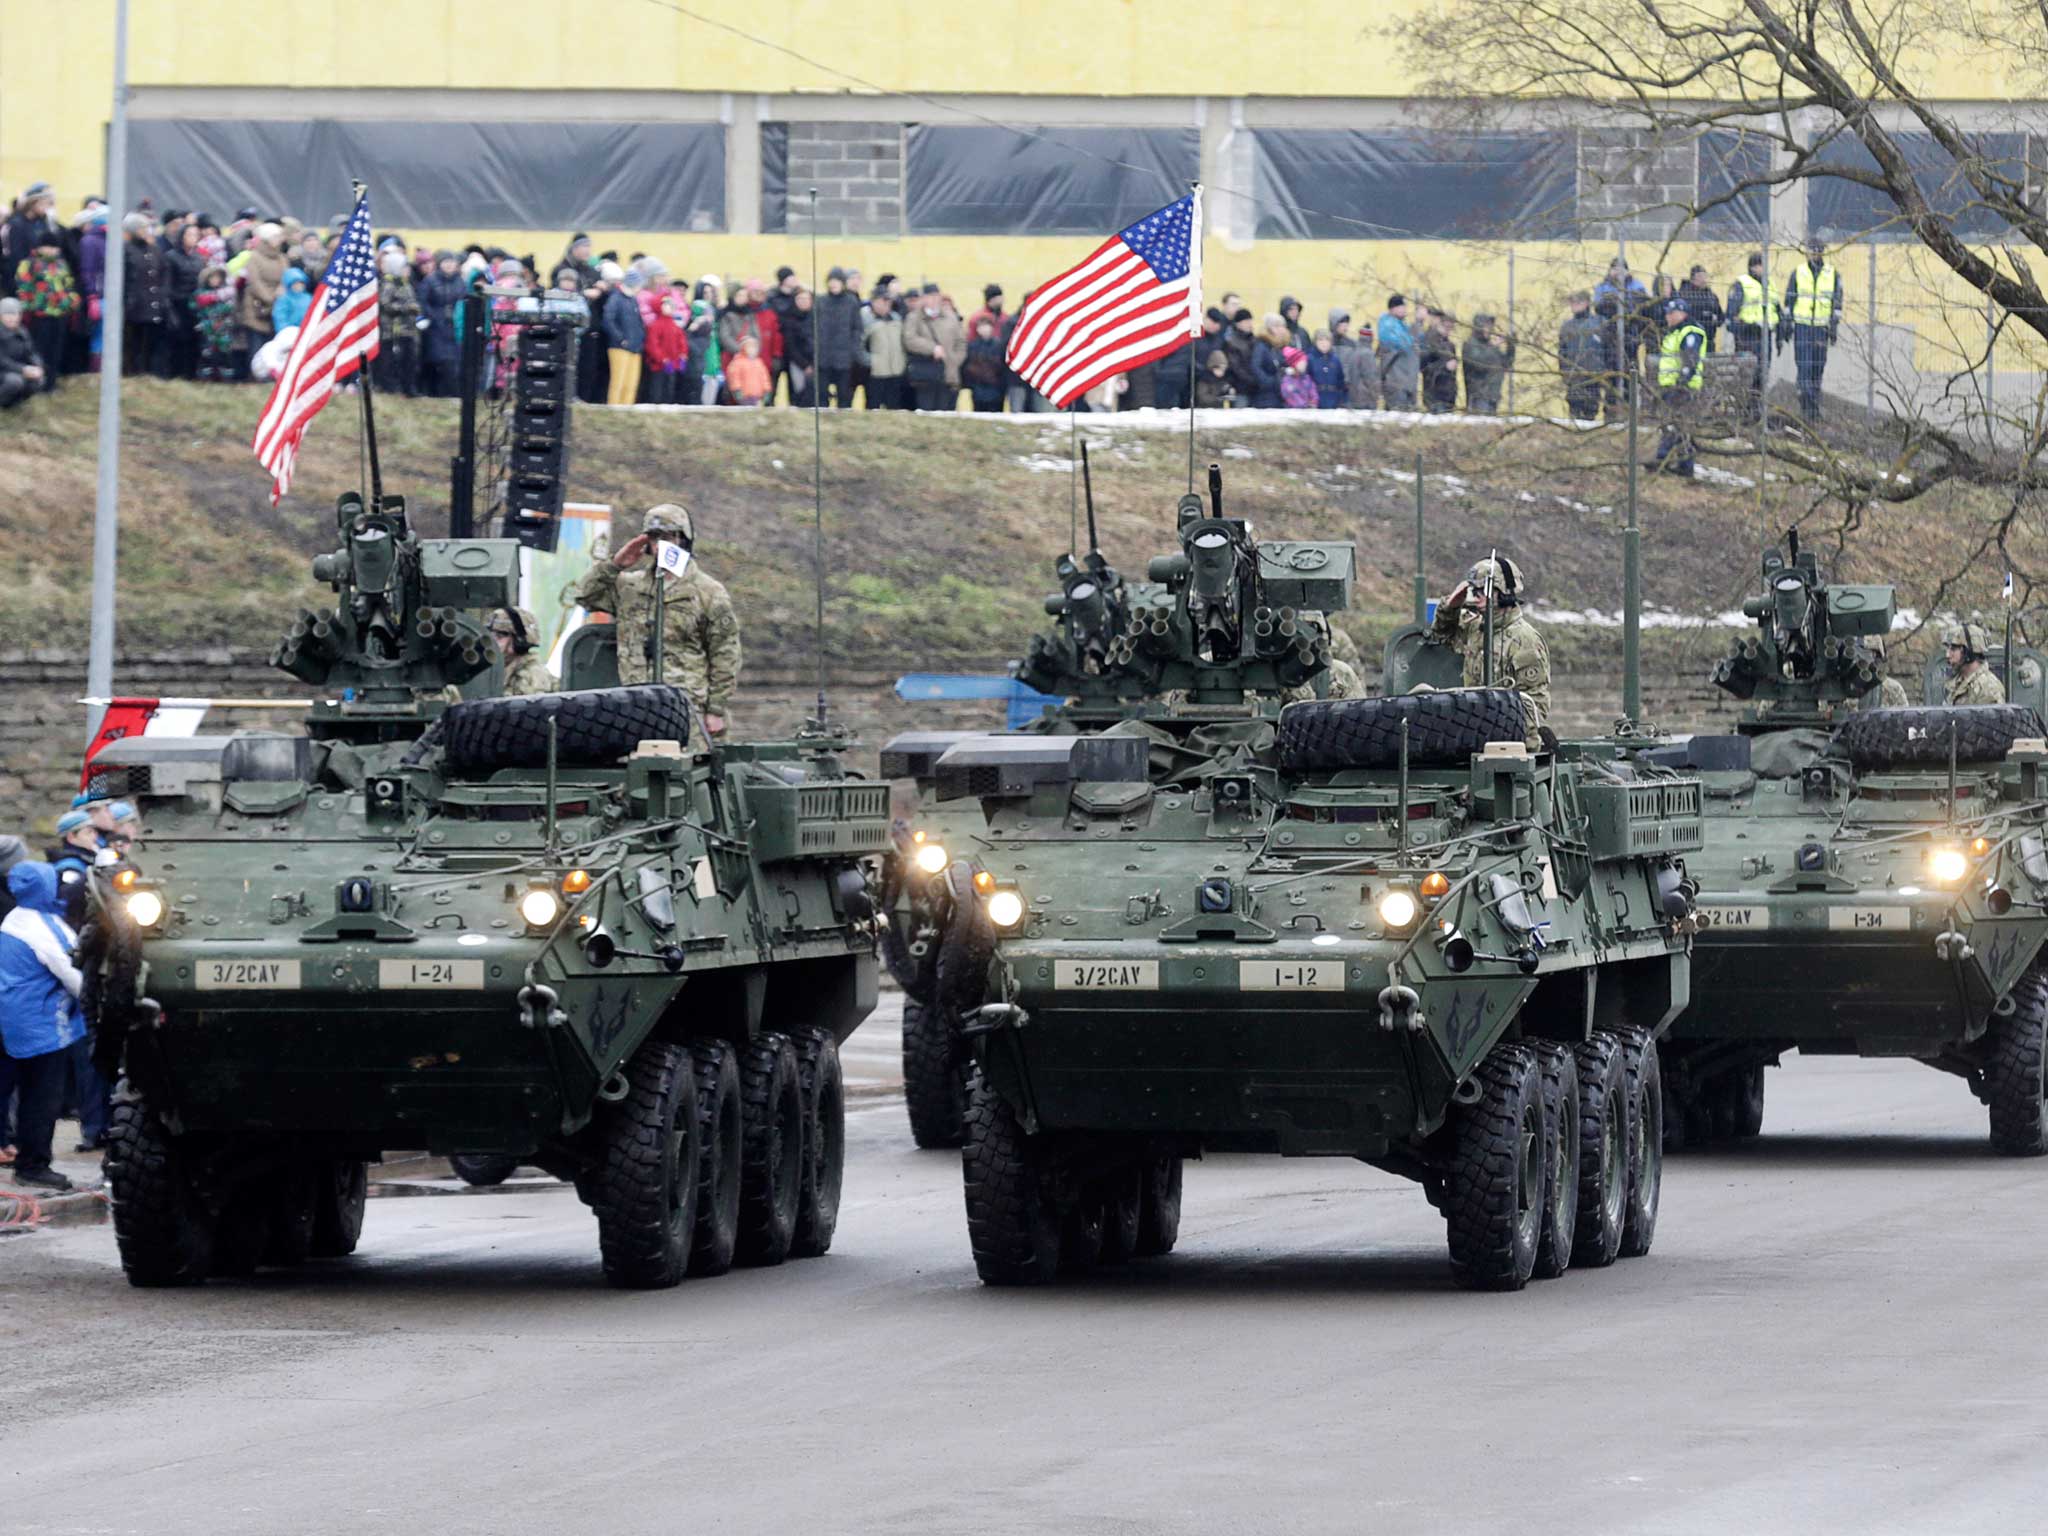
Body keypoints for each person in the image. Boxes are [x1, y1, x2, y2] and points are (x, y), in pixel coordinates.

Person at [569, 504, 741, 753]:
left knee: (688, 776)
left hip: (686, 707)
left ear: (683, 540)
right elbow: (584, 595)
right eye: (653, 537)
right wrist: (616, 564)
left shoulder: (707, 592)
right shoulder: (630, 587)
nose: (660, 544)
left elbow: (725, 653)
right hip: (635, 704)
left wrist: (716, 709)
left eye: (667, 537)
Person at [0, 862, 87, 1192]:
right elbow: (74, 974)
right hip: (40, 1025)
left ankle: (23, 1157)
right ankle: (33, 1166)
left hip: (9, 1017)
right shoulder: (46, 926)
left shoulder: (13, 918)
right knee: (41, 1098)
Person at [1430, 555, 1551, 746]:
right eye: (1474, 590)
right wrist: (1451, 605)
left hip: (1507, 743)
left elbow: (1534, 704)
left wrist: (1521, 749)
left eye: (1483, 590)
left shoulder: (1525, 640)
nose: (1476, 596)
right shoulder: (1475, 627)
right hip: (1472, 734)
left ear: (1504, 593)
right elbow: (1442, 635)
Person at [1781, 235, 1842, 424]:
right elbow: (1789, 301)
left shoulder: (1832, 274)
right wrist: (1788, 324)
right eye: (1811, 251)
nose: (1814, 254)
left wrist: (1833, 327)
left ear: (1821, 252)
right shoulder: (1798, 273)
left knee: (1817, 369)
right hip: (1803, 328)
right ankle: (1806, 408)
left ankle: (1814, 408)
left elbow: (1837, 304)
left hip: (1821, 329)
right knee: (1804, 367)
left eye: (1817, 251)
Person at [1647, 296, 1707, 477]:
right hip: (1670, 386)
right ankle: (1682, 465)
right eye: (1667, 313)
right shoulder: (1674, 333)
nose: (1668, 317)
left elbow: (1690, 358)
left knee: (1676, 425)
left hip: (1682, 387)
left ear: (1682, 313)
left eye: (1672, 313)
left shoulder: (1689, 332)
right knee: (1676, 426)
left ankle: (1663, 460)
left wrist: (1682, 381)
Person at [13, 231, 76, 390]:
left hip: (60, 314)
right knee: (40, 350)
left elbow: (68, 284)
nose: (51, 250)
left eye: (54, 247)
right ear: (40, 247)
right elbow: (23, 287)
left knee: (56, 349)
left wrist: (70, 302)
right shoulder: (30, 263)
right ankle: (38, 384)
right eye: (47, 247)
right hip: (39, 314)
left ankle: (52, 383)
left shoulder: (62, 264)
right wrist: (27, 308)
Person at [1726, 251, 1781, 425]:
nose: (1764, 269)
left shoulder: (1770, 285)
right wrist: (1746, 327)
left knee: (1762, 375)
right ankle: (1744, 412)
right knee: (1747, 375)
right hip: (1747, 337)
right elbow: (1731, 316)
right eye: (1760, 265)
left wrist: (1780, 331)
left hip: (1766, 337)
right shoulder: (1741, 284)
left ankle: (1757, 411)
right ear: (1753, 266)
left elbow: (1776, 310)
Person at [1593, 259, 1649, 421]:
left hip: (1630, 338)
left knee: (1630, 378)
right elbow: (1599, 307)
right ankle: (1610, 416)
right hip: (1610, 339)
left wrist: (1621, 303)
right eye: (1615, 269)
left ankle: (1629, 415)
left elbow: (1641, 308)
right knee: (1611, 378)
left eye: (1621, 269)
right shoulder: (1603, 287)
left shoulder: (1636, 286)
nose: (1618, 273)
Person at [233, 222, 286, 380]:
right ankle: (255, 376)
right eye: (276, 236)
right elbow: (255, 283)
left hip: (276, 309)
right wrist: (271, 297)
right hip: (255, 308)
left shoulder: (281, 258)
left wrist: (280, 294)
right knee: (256, 345)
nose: (279, 240)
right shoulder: (254, 257)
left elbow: (286, 277)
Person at [903, 284, 965, 411]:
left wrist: (956, 359)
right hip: (926, 374)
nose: (934, 300)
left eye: (937, 296)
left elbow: (961, 342)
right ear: (924, 298)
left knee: (947, 412)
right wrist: (932, 348)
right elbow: (909, 340)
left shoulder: (950, 316)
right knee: (926, 411)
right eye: (930, 296)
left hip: (949, 373)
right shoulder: (914, 318)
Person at [122, 212, 169, 377]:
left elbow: (163, 275)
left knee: (151, 345)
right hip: (134, 307)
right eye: (142, 228)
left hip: (153, 306)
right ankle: (132, 374)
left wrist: (162, 298)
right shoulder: (125, 250)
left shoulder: (155, 250)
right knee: (133, 345)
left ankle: (149, 374)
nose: (146, 231)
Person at [415, 251, 466, 397]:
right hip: (435, 326)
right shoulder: (430, 281)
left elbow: (463, 301)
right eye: (446, 262)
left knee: (453, 360)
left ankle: (451, 392)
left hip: (454, 325)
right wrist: (433, 316)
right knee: (435, 359)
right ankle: (433, 391)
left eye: (452, 262)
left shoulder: (460, 282)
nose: (449, 265)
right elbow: (423, 301)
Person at [375, 244, 422, 396]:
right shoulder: (388, 284)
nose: (407, 271)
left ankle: (408, 388)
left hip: (407, 329)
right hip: (392, 330)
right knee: (392, 360)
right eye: (404, 267)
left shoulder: (405, 284)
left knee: (409, 360)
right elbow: (385, 304)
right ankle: (391, 388)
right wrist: (405, 308)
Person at [816, 267, 864, 409]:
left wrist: (852, 350)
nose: (833, 284)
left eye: (836, 281)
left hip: (844, 357)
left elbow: (857, 328)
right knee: (822, 394)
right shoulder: (821, 301)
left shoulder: (851, 302)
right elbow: (813, 326)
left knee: (844, 393)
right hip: (823, 356)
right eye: (831, 281)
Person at [601, 268, 646, 406]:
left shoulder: (633, 300)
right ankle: (614, 409)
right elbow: (608, 320)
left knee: (631, 384)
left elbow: (638, 323)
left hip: (635, 348)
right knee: (618, 382)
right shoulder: (616, 298)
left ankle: (627, 410)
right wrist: (621, 339)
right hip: (619, 347)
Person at [1558, 291, 1604, 422]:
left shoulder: (1599, 323)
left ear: (1587, 303)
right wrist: (1565, 373)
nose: (1574, 305)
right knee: (1574, 410)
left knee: (1591, 410)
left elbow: (1607, 349)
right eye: (1572, 302)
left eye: (1578, 302)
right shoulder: (1567, 327)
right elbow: (1562, 352)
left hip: (1593, 375)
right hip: (1574, 376)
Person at [489, 608, 552, 695]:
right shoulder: (496, 671)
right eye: (491, 636)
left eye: (500, 636)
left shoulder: (533, 675)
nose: (493, 642)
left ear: (519, 641)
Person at [1461, 313, 1515, 415]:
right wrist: (1493, 347)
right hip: (1479, 397)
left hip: (1493, 396)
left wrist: (1511, 346)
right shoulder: (1470, 344)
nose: (1489, 329)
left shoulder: (1490, 346)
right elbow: (1479, 363)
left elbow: (1506, 364)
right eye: (1486, 326)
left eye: (1490, 326)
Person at [862, 291, 906, 409]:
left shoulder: (897, 319)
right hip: (876, 373)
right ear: (874, 302)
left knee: (894, 407)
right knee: (873, 406)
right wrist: (870, 361)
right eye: (883, 301)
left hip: (896, 370)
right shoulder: (866, 320)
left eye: (888, 301)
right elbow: (859, 345)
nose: (886, 304)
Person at [1942, 622, 2006, 705]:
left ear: (1968, 651)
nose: (1947, 655)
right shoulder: (1955, 683)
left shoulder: (1989, 688)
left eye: (1953, 649)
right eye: (1947, 649)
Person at [643, 291, 687, 404]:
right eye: (667, 304)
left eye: (672, 305)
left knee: (669, 390)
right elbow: (652, 345)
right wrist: (662, 359)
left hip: (673, 364)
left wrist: (682, 355)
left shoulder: (674, 325)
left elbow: (681, 341)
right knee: (657, 390)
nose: (670, 307)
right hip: (658, 365)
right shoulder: (655, 325)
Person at [0, 297, 45, 408]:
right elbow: (2, 360)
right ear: (1, 316)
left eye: (14, 314)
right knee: (15, 382)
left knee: (38, 380)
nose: (11, 318)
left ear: (19, 316)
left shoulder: (23, 331)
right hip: (4, 371)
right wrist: (23, 370)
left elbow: (31, 352)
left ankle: (14, 402)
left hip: (18, 369)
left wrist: (38, 366)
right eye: (7, 314)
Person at [1376, 294, 1419, 410]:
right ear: (1392, 308)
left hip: (1407, 383)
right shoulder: (1388, 326)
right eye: (1401, 306)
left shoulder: (1402, 326)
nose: (1404, 309)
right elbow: (1405, 345)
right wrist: (1418, 323)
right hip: (1396, 383)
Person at [1419, 309, 1459, 413]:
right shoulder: (1428, 341)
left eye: (1451, 327)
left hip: (1449, 396)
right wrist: (1445, 367)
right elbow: (1424, 368)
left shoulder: (1450, 345)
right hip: (1434, 397)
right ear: (1439, 323)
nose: (1448, 330)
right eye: (1446, 326)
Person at [1678, 264, 1724, 352]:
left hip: (1709, 339)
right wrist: (1705, 315)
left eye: (1704, 276)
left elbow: (1720, 317)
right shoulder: (1684, 294)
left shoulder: (1711, 296)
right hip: (1690, 339)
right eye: (1699, 276)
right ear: (1692, 279)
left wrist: (1714, 319)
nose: (1703, 279)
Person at [963, 318, 1007, 412]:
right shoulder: (972, 346)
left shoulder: (999, 345)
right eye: (981, 326)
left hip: (996, 389)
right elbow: (969, 366)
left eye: (987, 326)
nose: (984, 329)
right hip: (978, 388)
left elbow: (1002, 367)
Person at [1250, 314, 1289, 407]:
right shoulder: (1262, 346)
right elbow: (1256, 366)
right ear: (1270, 328)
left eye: (1283, 326)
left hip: (1280, 394)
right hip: (1265, 396)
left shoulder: (1280, 346)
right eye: (1278, 326)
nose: (1282, 329)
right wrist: (1269, 382)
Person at [1862, 636, 1910, 709]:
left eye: (1875, 654)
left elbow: (1904, 718)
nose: (1871, 658)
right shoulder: (1842, 690)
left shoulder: (1893, 689)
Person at [726, 332, 771, 406]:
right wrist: (737, 391)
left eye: (754, 347)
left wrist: (766, 390)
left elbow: (764, 378)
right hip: (744, 397)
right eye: (749, 347)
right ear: (743, 348)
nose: (752, 350)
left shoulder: (759, 363)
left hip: (758, 397)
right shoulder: (737, 362)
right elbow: (734, 378)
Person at [1306, 329, 1347, 408]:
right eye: (1320, 340)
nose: (1324, 343)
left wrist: (1342, 401)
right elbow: (1306, 381)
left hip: (1333, 401)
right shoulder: (1310, 359)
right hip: (1315, 402)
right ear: (1315, 342)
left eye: (1327, 340)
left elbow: (1341, 382)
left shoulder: (1335, 360)